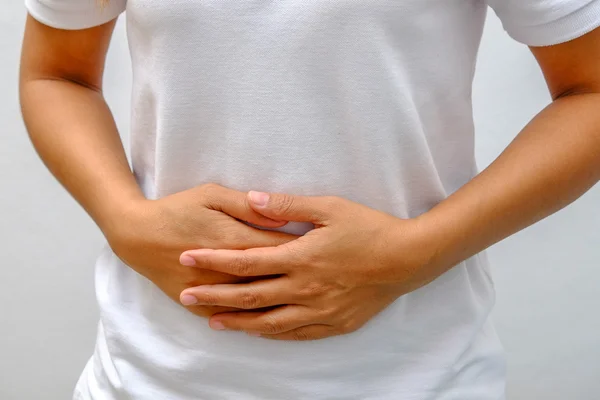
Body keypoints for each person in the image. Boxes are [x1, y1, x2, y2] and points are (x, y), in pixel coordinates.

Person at [19, 0, 600, 398]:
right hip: (146, 379)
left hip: (416, 379)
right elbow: (56, 74)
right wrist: (124, 221)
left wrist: (417, 252)